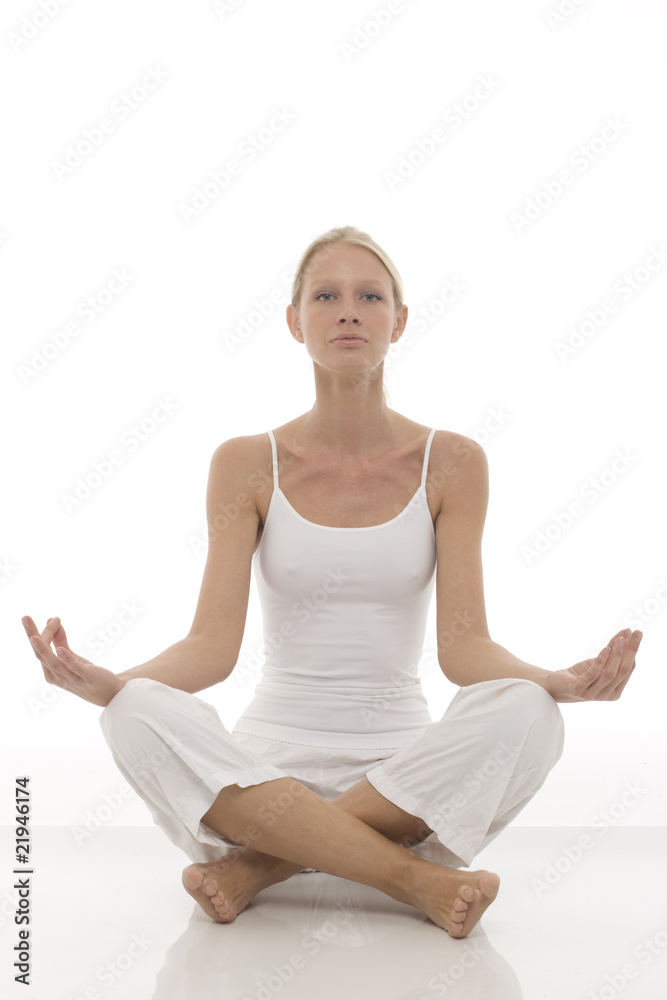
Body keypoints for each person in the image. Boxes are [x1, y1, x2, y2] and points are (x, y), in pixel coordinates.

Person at [22, 225, 641, 939]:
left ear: (398, 321)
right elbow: (211, 647)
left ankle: (258, 868)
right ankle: (412, 878)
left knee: (529, 712)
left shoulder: (454, 461)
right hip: (262, 776)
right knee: (132, 711)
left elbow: (464, 650)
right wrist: (110, 681)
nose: (348, 310)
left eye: (368, 295)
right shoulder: (246, 461)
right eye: (326, 295)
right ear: (295, 322)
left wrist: (559, 680)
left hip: (403, 776)